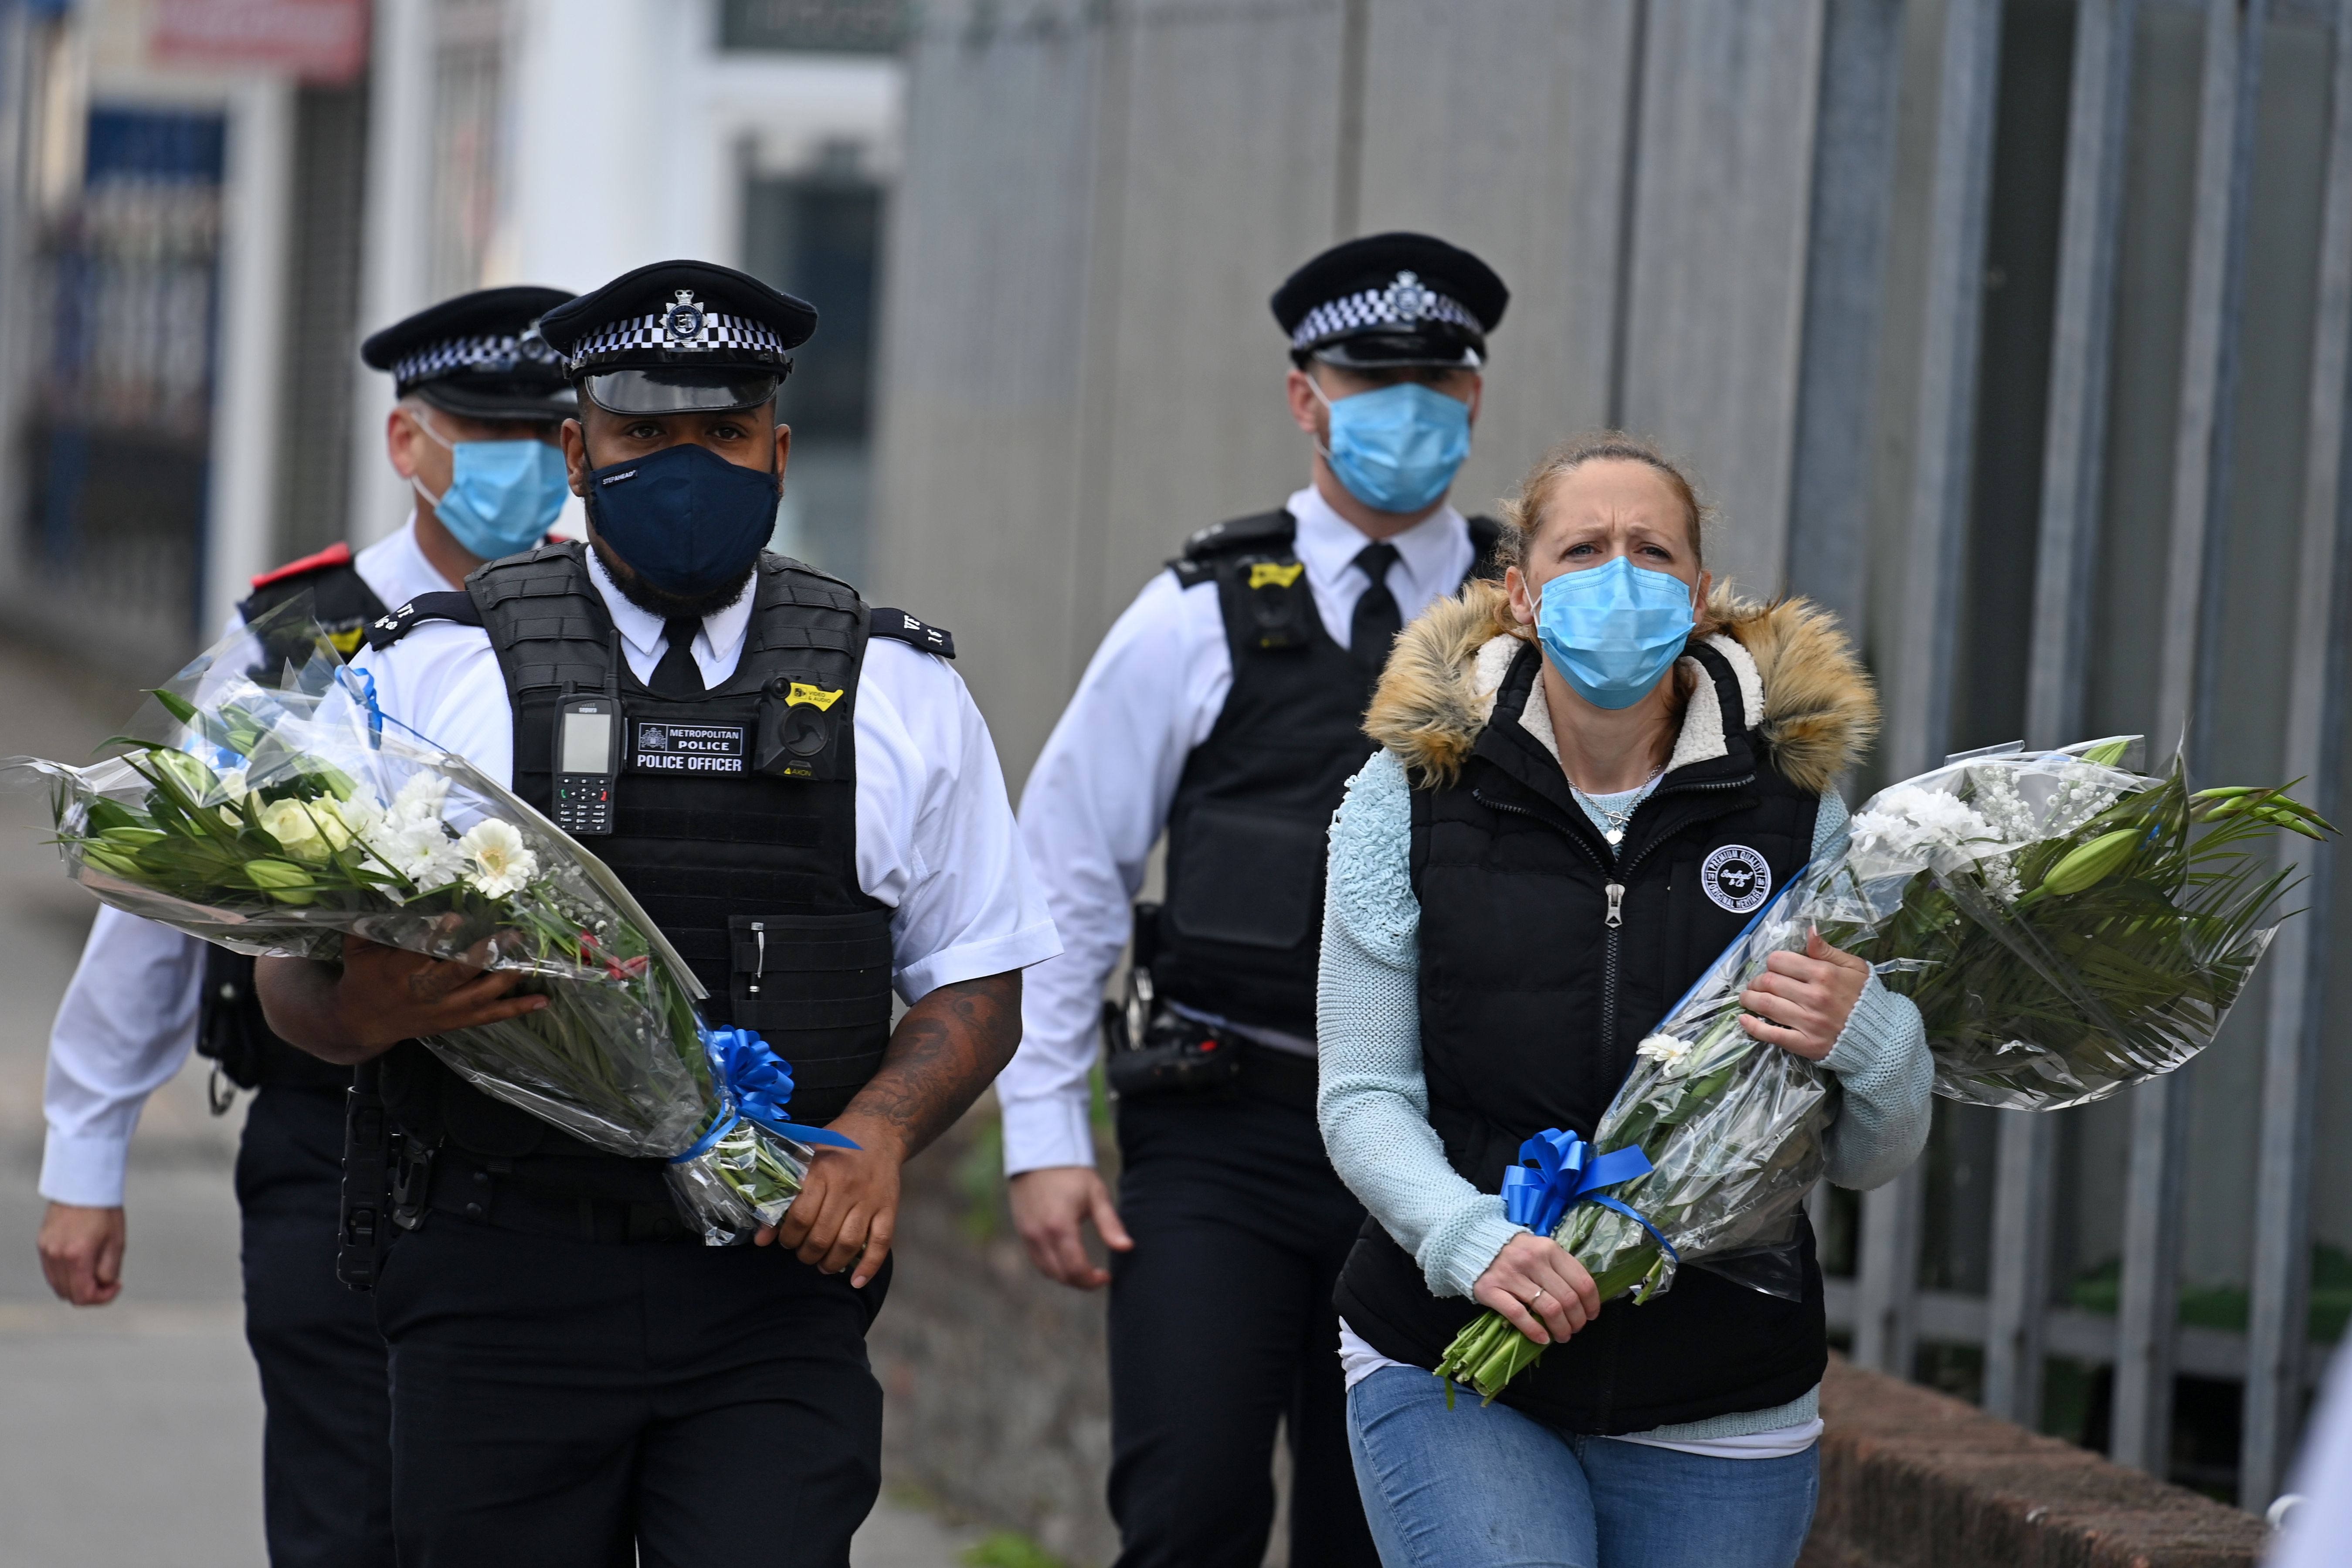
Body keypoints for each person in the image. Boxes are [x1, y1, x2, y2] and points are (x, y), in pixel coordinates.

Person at [252, 258, 1060, 1567]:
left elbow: (978, 979)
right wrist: (365, 1008)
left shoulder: (899, 693)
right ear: (578, 451)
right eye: (644, 434)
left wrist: (877, 1136)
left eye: (724, 434)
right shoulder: (429, 676)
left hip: (773, 1291)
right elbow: (287, 988)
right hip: (495, 1281)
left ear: (780, 451)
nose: (688, 466)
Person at [1316, 434, 1933, 1568]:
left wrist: (1880, 1042)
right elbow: (1361, 1094)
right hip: (1455, 1348)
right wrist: (1469, 1241)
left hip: (1722, 1397)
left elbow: (1864, 1158)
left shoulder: (1795, 807)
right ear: (1521, 593)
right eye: (1582, 548)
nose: (1618, 574)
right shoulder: (1412, 789)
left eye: (1652, 551)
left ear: (1697, 597)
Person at [34, 283, 575, 1568]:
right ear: (408, 445)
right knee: (347, 1517)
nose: (521, 472)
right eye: (484, 439)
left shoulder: (599, 633)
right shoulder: (294, 637)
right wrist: (85, 1154)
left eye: (547, 444)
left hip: (547, 1152)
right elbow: (157, 900)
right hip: (333, 1139)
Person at [998, 232, 1509, 1567]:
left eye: (1436, 377)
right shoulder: (1198, 611)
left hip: (1441, 1151)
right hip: (1224, 1135)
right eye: (1368, 375)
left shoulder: (1531, 618)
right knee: (1189, 1512)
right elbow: (1068, 870)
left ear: (1474, 396)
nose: (1406, 404)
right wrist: (1044, 1129)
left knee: (1382, 1534)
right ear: (1305, 395)